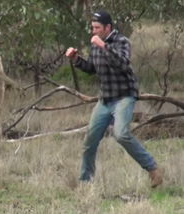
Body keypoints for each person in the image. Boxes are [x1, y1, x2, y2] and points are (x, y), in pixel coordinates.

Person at [65, 10, 162, 188]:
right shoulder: (96, 43)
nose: (94, 31)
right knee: (90, 140)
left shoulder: (121, 41)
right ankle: (86, 182)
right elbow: (92, 68)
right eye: (92, 27)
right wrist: (76, 59)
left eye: (97, 28)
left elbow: (123, 64)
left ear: (108, 27)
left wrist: (103, 46)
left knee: (121, 134)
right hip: (105, 99)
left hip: (124, 96)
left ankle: (153, 170)